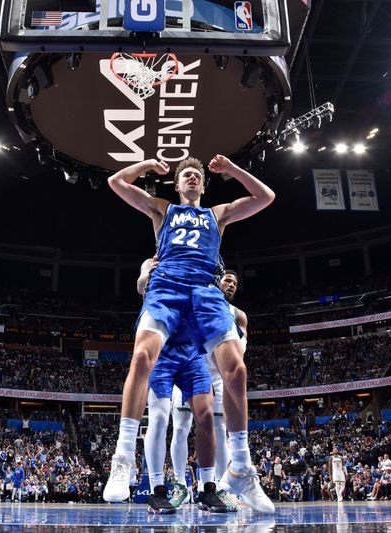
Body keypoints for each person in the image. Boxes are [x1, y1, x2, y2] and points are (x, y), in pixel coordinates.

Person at [103, 155, 275, 514]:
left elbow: (265, 197)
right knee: (141, 358)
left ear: (203, 184)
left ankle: (240, 466)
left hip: (203, 290)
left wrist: (232, 171)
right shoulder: (162, 211)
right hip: (167, 286)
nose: (193, 178)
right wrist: (147, 164)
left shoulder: (217, 214)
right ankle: (123, 458)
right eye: (187, 176)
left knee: (237, 371)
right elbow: (117, 182)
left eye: (197, 175)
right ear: (178, 185)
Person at [136, 257, 227, 514]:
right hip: (162, 353)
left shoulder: (201, 262)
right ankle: (157, 490)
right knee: (159, 417)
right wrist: (147, 276)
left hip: (191, 356)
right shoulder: (155, 261)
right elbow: (141, 285)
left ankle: (208, 489)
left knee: (207, 417)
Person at [171, 269, 249, 512]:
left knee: (219, 429)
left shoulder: (239, 315)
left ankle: (220, 489)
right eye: (228, 280)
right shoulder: (197, 301)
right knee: (182, 426)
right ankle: (180, 485)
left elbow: (240, 349)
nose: (232, 285)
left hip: (217, 375)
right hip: (190, 369)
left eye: (235, 282)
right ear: (218, 282)